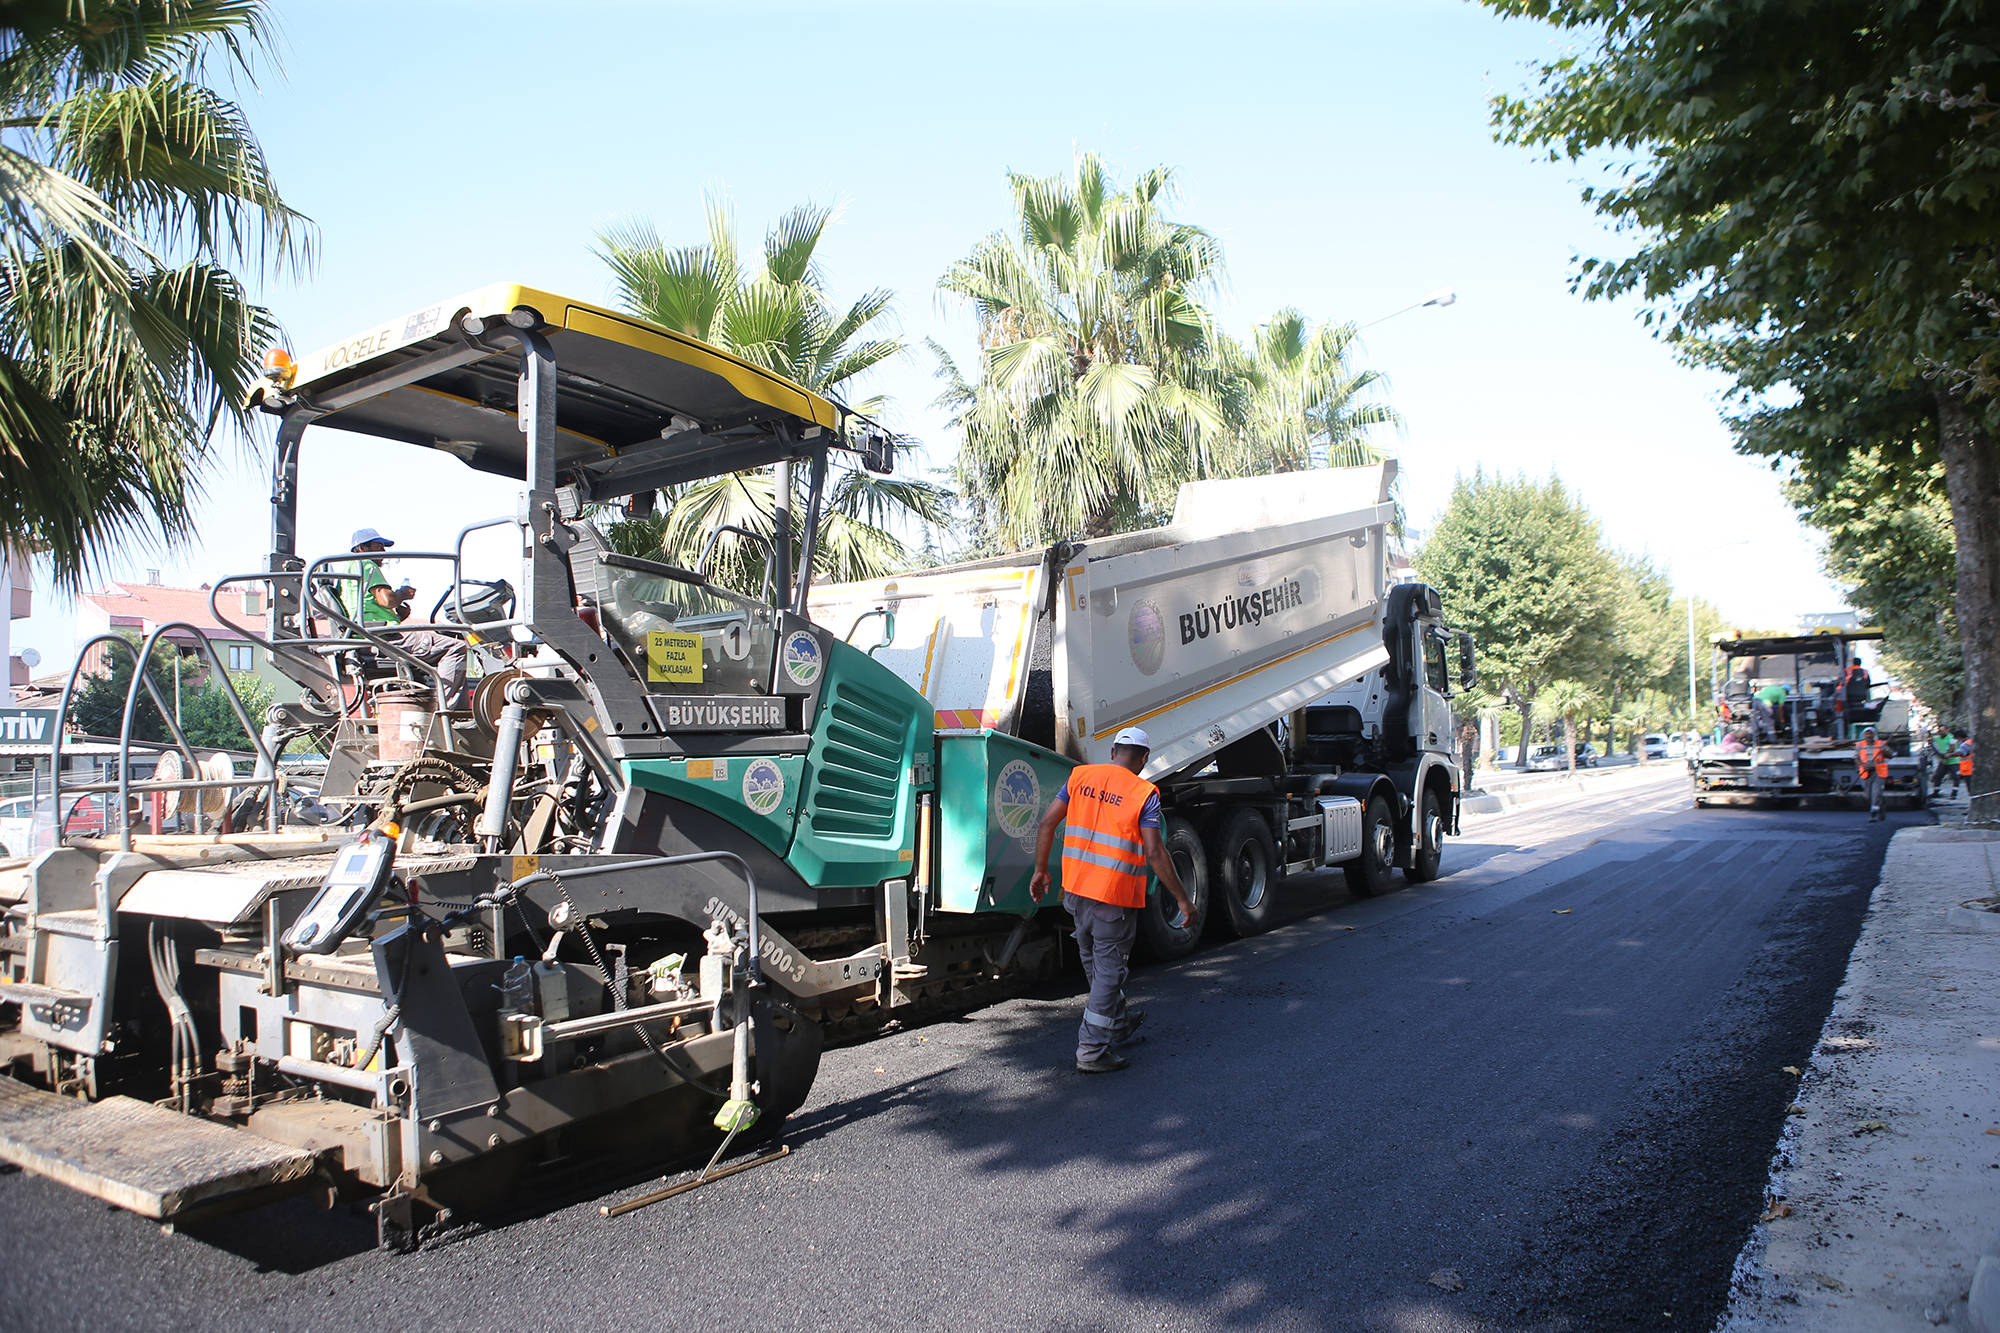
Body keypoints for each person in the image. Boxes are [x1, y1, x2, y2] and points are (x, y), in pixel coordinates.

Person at [1030, 727, 1198, 1074]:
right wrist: (1183, 900)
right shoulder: (1143, 793)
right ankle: (1091, 1050)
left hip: (1076, 891)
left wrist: (1040, 871)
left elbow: (1047, 823)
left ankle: (1119, 1023)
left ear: (1112, 752)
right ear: (1144, 759)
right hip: (1112, 897)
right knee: (1108, 973)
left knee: (1095, 964)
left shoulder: (1079, 776)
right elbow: (1155, 852)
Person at [344, 527, 467, 710]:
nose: (384, 553)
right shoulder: (366, 564)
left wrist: (397, 615)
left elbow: (367, 606)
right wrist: (401, 594)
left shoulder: (349, 570)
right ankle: (444, 709)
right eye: (379, 546)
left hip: (369, 633)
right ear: (362, 549)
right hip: (380, 636)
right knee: (455, 647)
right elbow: (386, 599)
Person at [1856, 725, 1889, 821]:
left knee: (1876, 793)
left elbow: (1891, 755)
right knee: (1868, 795)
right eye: (1867, 733)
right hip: (1866, 773)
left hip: (1879, 772)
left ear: (1874, 735)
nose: (1869, 735)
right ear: (1864, 735)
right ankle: (1881, 806)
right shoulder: (1859, 745)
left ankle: (1873, 814)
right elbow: (1856, 757)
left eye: (1870, 733)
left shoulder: (1881, 744)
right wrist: (1862, 764)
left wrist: (1884, 752)